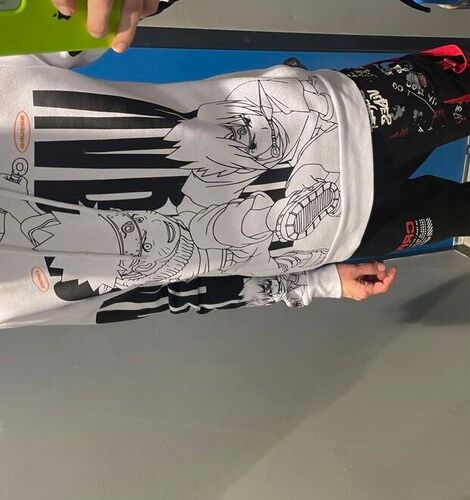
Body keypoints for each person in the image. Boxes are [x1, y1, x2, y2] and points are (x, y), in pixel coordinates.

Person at [0, 4, 469, 327]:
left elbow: (92, 15)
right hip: (339, 237)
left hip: (349, 115)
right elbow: (163, 296)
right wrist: (314, 283)